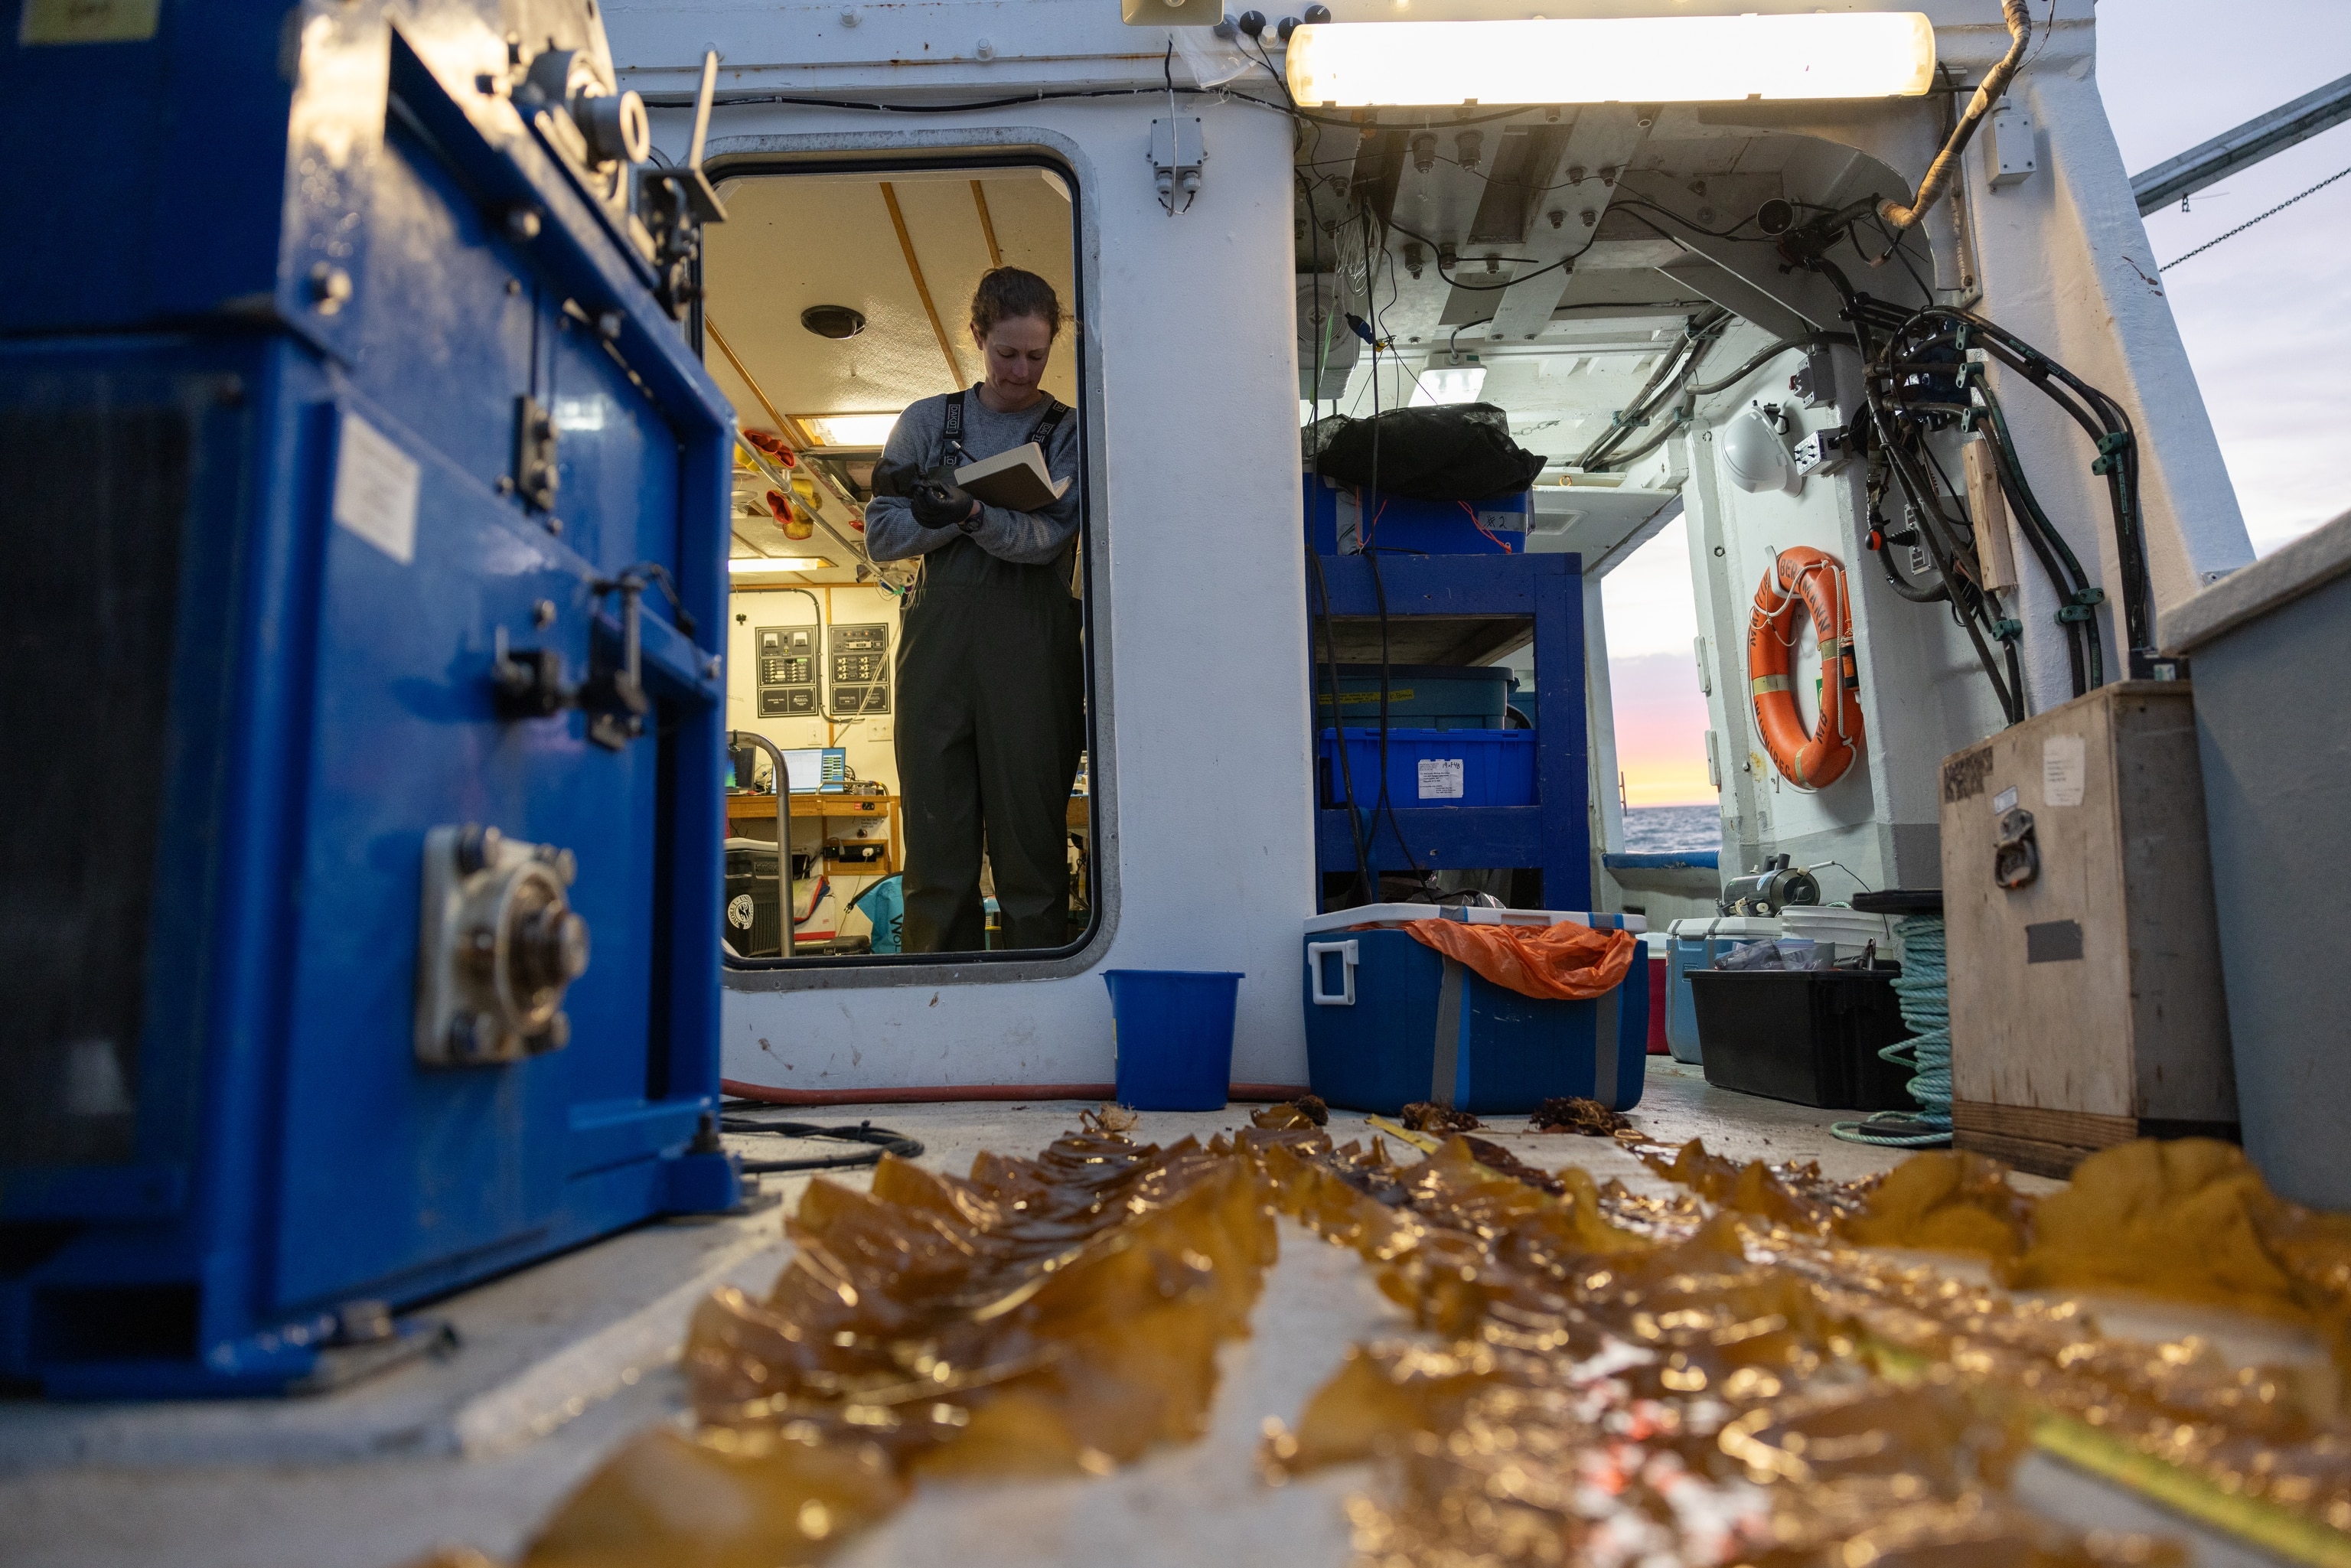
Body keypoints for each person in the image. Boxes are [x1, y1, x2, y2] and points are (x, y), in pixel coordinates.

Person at [864, 267, 1083, 953]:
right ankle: (936, 1007)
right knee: (936, 848)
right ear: (978, 338)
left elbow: (1051, 539)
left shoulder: (1072, 430)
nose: (1021, 371)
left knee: (1032, 849)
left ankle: (1041, 1011)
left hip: (1033, 651)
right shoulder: (928, 422)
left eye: (1036, 355)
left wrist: (976, 512)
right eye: (1006, 353)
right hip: (938, 656)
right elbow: (882, 535)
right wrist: (951, 519)